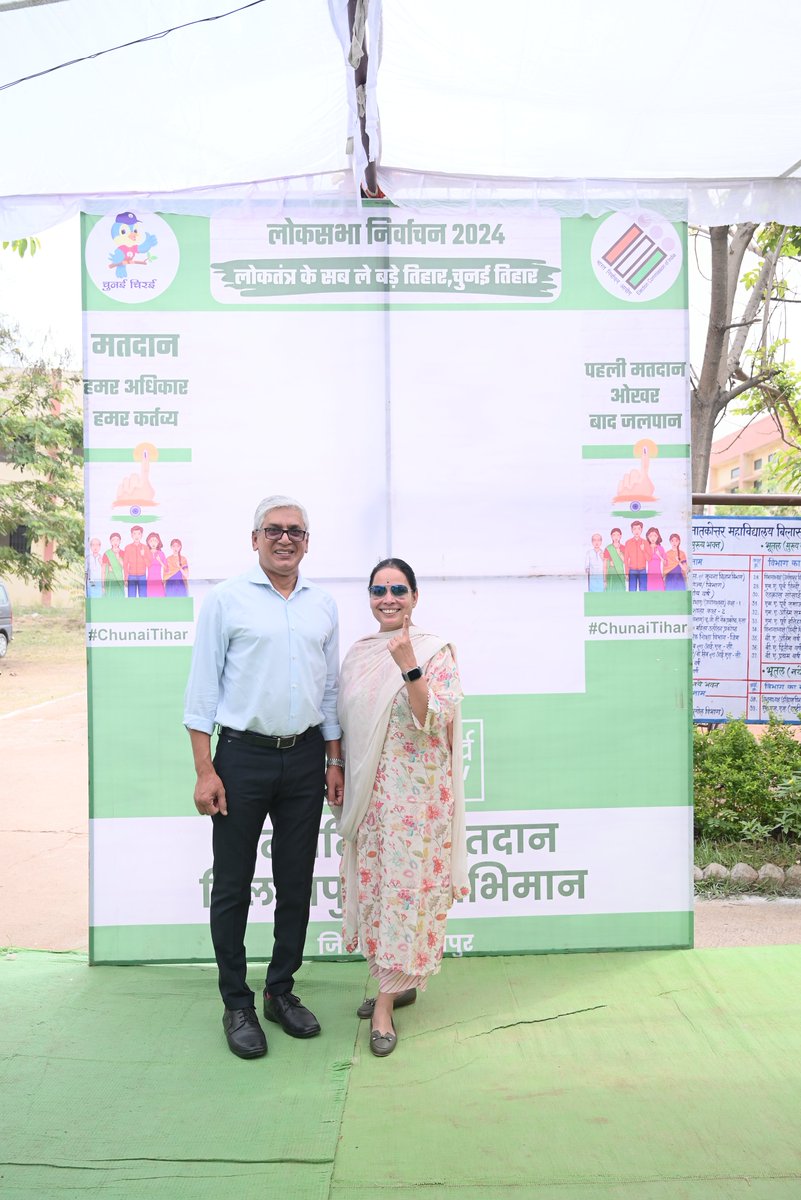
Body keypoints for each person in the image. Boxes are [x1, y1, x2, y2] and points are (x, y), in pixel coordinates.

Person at [183, 495, 344, 1060]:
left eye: (295, 531)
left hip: (303, 758)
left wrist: (332, 760)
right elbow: (202, 693)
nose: (284, 539)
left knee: (295, 880)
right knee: (232, 884)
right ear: (254, 539)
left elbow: (327, 693)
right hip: (241, 759)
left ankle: (280, 990)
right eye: (273, 530)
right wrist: (206, 770)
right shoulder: (226, 601)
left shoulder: (322, 605)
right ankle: (237, 1002)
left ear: (307, 541)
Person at [333, 558, 468, 1058]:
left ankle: (385, 1003)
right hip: (374, 799)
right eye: (379, 590)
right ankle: (398, 980)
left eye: (398, 590)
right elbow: (343, 720)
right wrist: (337, 767)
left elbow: (431, 720)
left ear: (415, 596)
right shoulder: (359, 654)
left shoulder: (435, 653)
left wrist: (408, 662)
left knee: (406, 896)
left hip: (419, 802)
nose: (388, 598)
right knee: (377, 891)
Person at [122, 525, 151, 597]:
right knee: (131, 598)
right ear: (131, 535)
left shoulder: (146, 548)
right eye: (134, 533)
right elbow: (125, 564)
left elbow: (149, 565)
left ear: (141, 535)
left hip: (142, 576)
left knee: (143, 598)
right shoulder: (128, 548)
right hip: (131, 576)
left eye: (139, 533)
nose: (136, 536)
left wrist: (143, 555)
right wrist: (125, 578)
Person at [623, 519, 647, 591]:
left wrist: (643, 550)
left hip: (643, 570)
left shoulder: (645, 542)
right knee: (632, 591)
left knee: (643, 591)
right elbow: (626, 559)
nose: (636, 531)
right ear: (631, 530)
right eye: (634, 529)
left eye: (639, 529)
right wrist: (626, 573)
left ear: (642, 529)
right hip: (632, 571)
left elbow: (649, 558)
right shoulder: (628, 542)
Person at [102, 532, 125, 597]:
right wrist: (103, 585)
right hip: (109, 580)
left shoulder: (123, 553)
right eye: (113, 540)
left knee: (119, 598)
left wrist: (118, 558)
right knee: (110, 598)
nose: (115, 542)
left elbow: (125, 568)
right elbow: (103, 571)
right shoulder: (107, 554)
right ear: (110, 542)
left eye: (117, 540)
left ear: (120, 541)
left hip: (119, 579)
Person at [603, 527, 626, 592]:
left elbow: (626, 562)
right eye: (614, 535)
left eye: (618, 535)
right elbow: (605, 565)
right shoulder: (608, 548)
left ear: (620, 536)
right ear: (611, 536)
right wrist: (605, 579)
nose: (616, 537)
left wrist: (619, 553)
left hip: (620, 573)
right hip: (611, 574)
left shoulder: (623, 548)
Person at [145, 532, 167, 597]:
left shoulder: (161, 554)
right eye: (151, 541)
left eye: (155, 541)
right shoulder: (146, 553)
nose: (153, 543)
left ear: (158, 542)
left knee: (160, 599)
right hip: (149, 581)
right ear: (148, 542)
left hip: (159, 581)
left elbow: (166, 568)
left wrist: (160, 561)